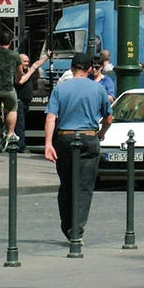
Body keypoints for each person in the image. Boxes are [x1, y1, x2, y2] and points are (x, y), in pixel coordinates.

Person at [44, 52, 112, 242]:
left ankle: (67, 225)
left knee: (66, 184)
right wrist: (102, 133)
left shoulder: (60, 89)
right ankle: (77, 229)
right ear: (90, 69)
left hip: (65, 138)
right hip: (88, 138)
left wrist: (48, 143)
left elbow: (51, 117)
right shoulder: (98, 89)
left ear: (72, 68)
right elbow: (108, 118)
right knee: (84, 186)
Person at [13, 53, 35, 152]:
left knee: (21, 124)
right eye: (24, 61)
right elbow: (20, 81)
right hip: (19, 100)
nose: (27, 63)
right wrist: (30, 71)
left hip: (26, 102)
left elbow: (36, 65)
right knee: (20, 125)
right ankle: (21, 146)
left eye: (27, 61)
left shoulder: (27, 70)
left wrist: (46, 57)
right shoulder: (17, 72)